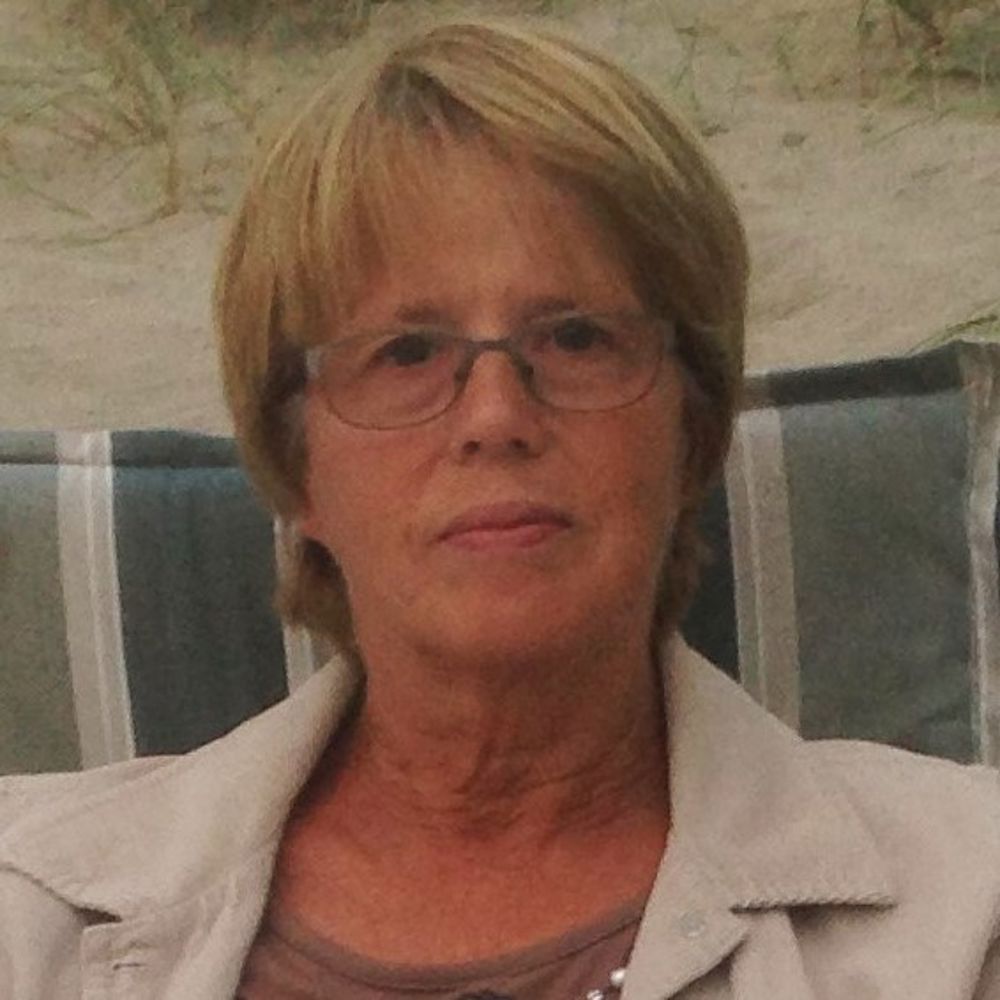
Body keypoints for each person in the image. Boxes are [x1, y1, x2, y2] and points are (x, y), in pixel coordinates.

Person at [1, 14, 999, 1000]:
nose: (495, 416)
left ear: (691, 430)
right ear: (297, 466)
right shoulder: (29, 909)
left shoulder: (963, 906)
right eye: (406, 353)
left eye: (575, 338)